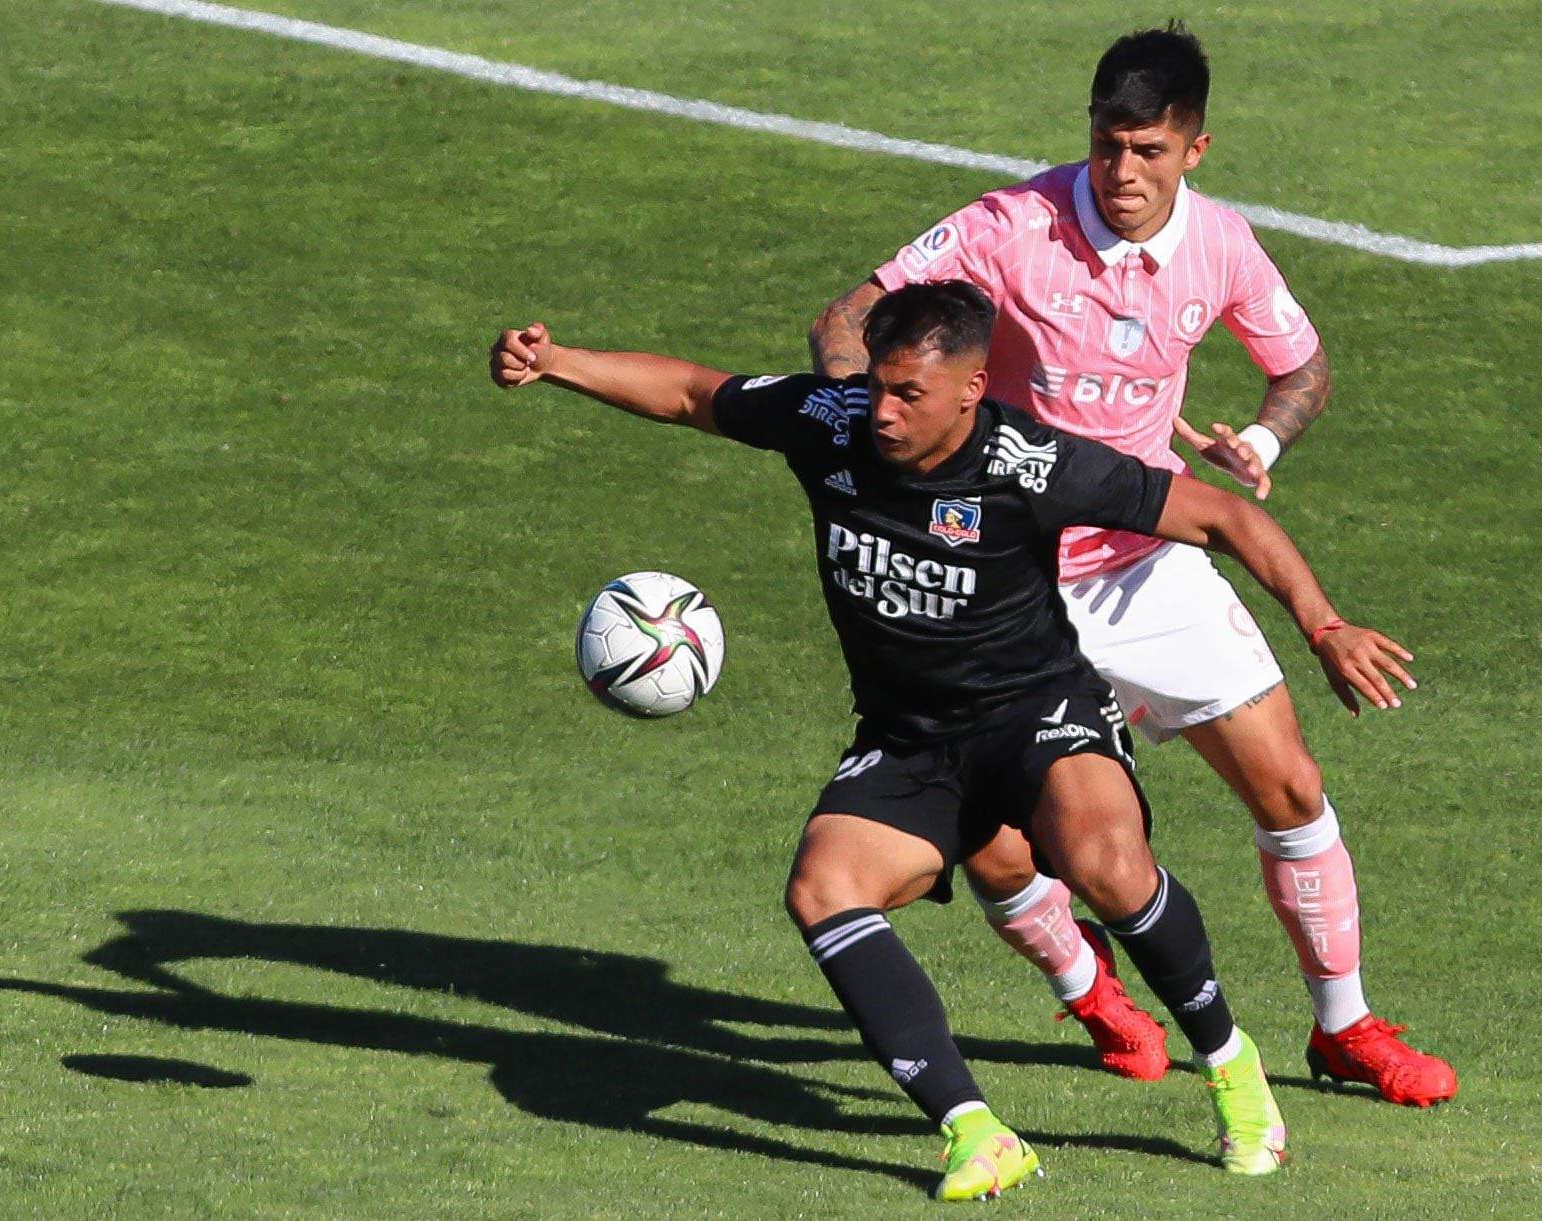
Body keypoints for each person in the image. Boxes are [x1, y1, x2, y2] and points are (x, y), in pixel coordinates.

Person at [490, 281, 1419, 1198]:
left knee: (1107, 865)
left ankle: (1228, 1062)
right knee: (822, 888)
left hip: (1037, 713)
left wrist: (1324, 625)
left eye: (908, 395)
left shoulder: (1031, 464)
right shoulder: (831, 417)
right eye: (878, 385)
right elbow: (696, 393)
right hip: (908, 736)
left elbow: (1224, 515)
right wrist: (558, 363)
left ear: (971, 389)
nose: (882, 412)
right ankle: (974, 1130)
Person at [808, 22, 1455, 1107]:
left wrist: (1262, 441)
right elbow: (851, 313)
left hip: (1145, 564)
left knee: (1289, 782)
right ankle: (1093, 992)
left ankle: (1342, 1028)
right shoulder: (1008, 225)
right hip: (1009, 590)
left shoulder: (1225, 247)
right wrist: (849, 412)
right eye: (1107, 145)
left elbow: (1300, 366)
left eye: (1148, 151)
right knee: (1000, 846)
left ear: (1193, 150)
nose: (1121, 173)